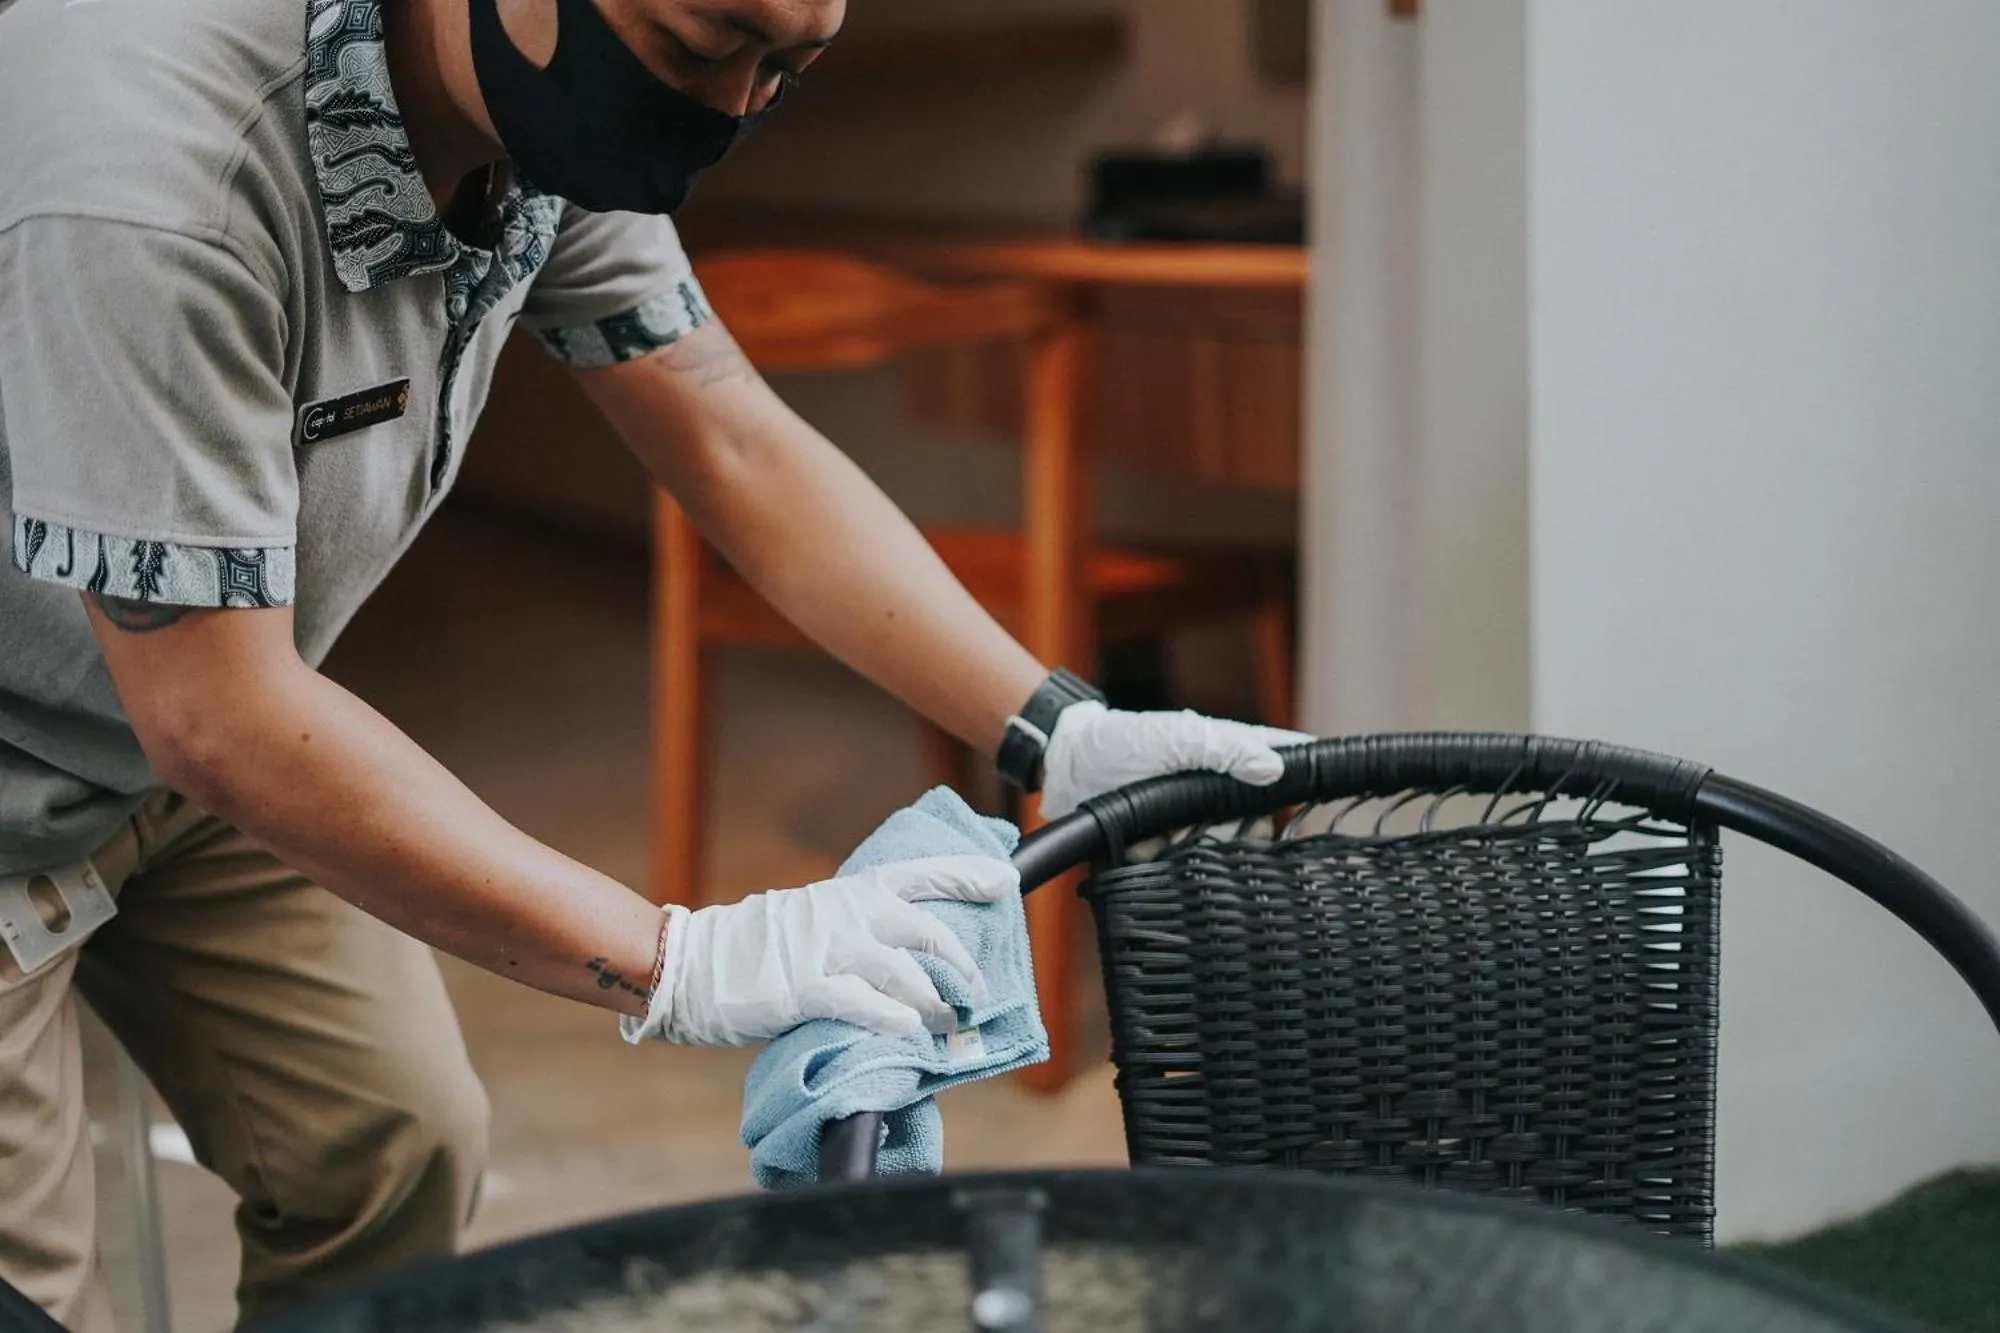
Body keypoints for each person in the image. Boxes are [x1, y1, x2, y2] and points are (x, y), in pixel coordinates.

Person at [0, 0, 1307, 1326]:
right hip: (53, 744)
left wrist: (1053, 728)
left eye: (785, 70)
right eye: (696, 52)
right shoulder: (158, 172)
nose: (732, 108)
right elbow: (214, 714)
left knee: (396, 1143)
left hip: (186, 713)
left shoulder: (526, 125)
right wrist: (675, 958)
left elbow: (728, 436)